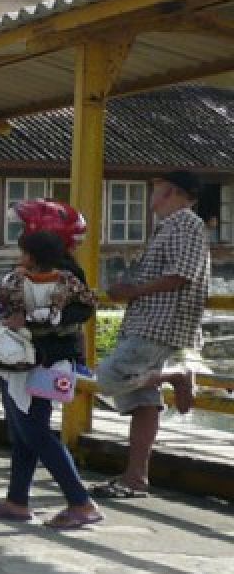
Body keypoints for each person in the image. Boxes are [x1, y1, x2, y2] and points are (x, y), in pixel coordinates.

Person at [91, 171, 210, 500]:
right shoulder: (171, 227)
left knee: (107, 378)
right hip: (148, 318)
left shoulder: (185, 223)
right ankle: (135, 477)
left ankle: (176, 374)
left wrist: (135, 291)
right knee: (142, 402)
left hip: (160, 321)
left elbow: (180, 274)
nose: (151, 200)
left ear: (170, 192)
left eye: (155, 192)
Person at [0, 231, 103, 529]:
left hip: (43, 361)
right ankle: (17, 500)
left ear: (31, 255)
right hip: (23, 361)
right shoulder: (34, 278)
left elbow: (74, 314)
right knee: (22, 433)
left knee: (34, 432)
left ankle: (81, 502)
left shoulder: (66, 279)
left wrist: (28, 320)